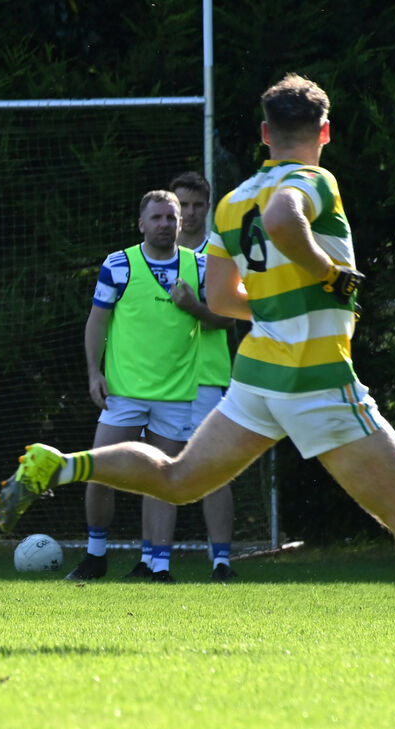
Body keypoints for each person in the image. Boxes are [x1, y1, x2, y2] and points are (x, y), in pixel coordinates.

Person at [0, 73, 395, 617]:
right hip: (316, 375)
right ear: (325, 131)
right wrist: (331, 275)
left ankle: (67, 464)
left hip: (258, 373)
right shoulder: (315, 180)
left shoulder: (232, 202)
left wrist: (282, 299)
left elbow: (220, 296)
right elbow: (285, 217)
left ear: (265, 132)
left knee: (178, 479)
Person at [60, 190, 231, 583]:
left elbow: (226, 322)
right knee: (99, 470)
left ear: (182, 223)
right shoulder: (118, 264)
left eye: (171, 218)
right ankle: (96, 555)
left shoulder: (201, 267)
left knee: (163, 479)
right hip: (124, 393)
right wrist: (93, 372)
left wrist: (195, 309)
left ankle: (159, 566)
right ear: (141, 223)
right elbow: (97, 321)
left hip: (175, 395)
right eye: (156, 218)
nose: (164, 224)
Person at [168, 171, 238, 582]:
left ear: (207, 209)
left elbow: (227, 320)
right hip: (154, 382)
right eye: (182, 206)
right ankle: (153, 561)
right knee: (156, 465)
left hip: (207, 378)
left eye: (197, 206)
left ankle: (221, 561)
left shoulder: (219, 253)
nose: (189, 214)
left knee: (212, 468)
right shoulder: (150, 255)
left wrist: (194, 308)